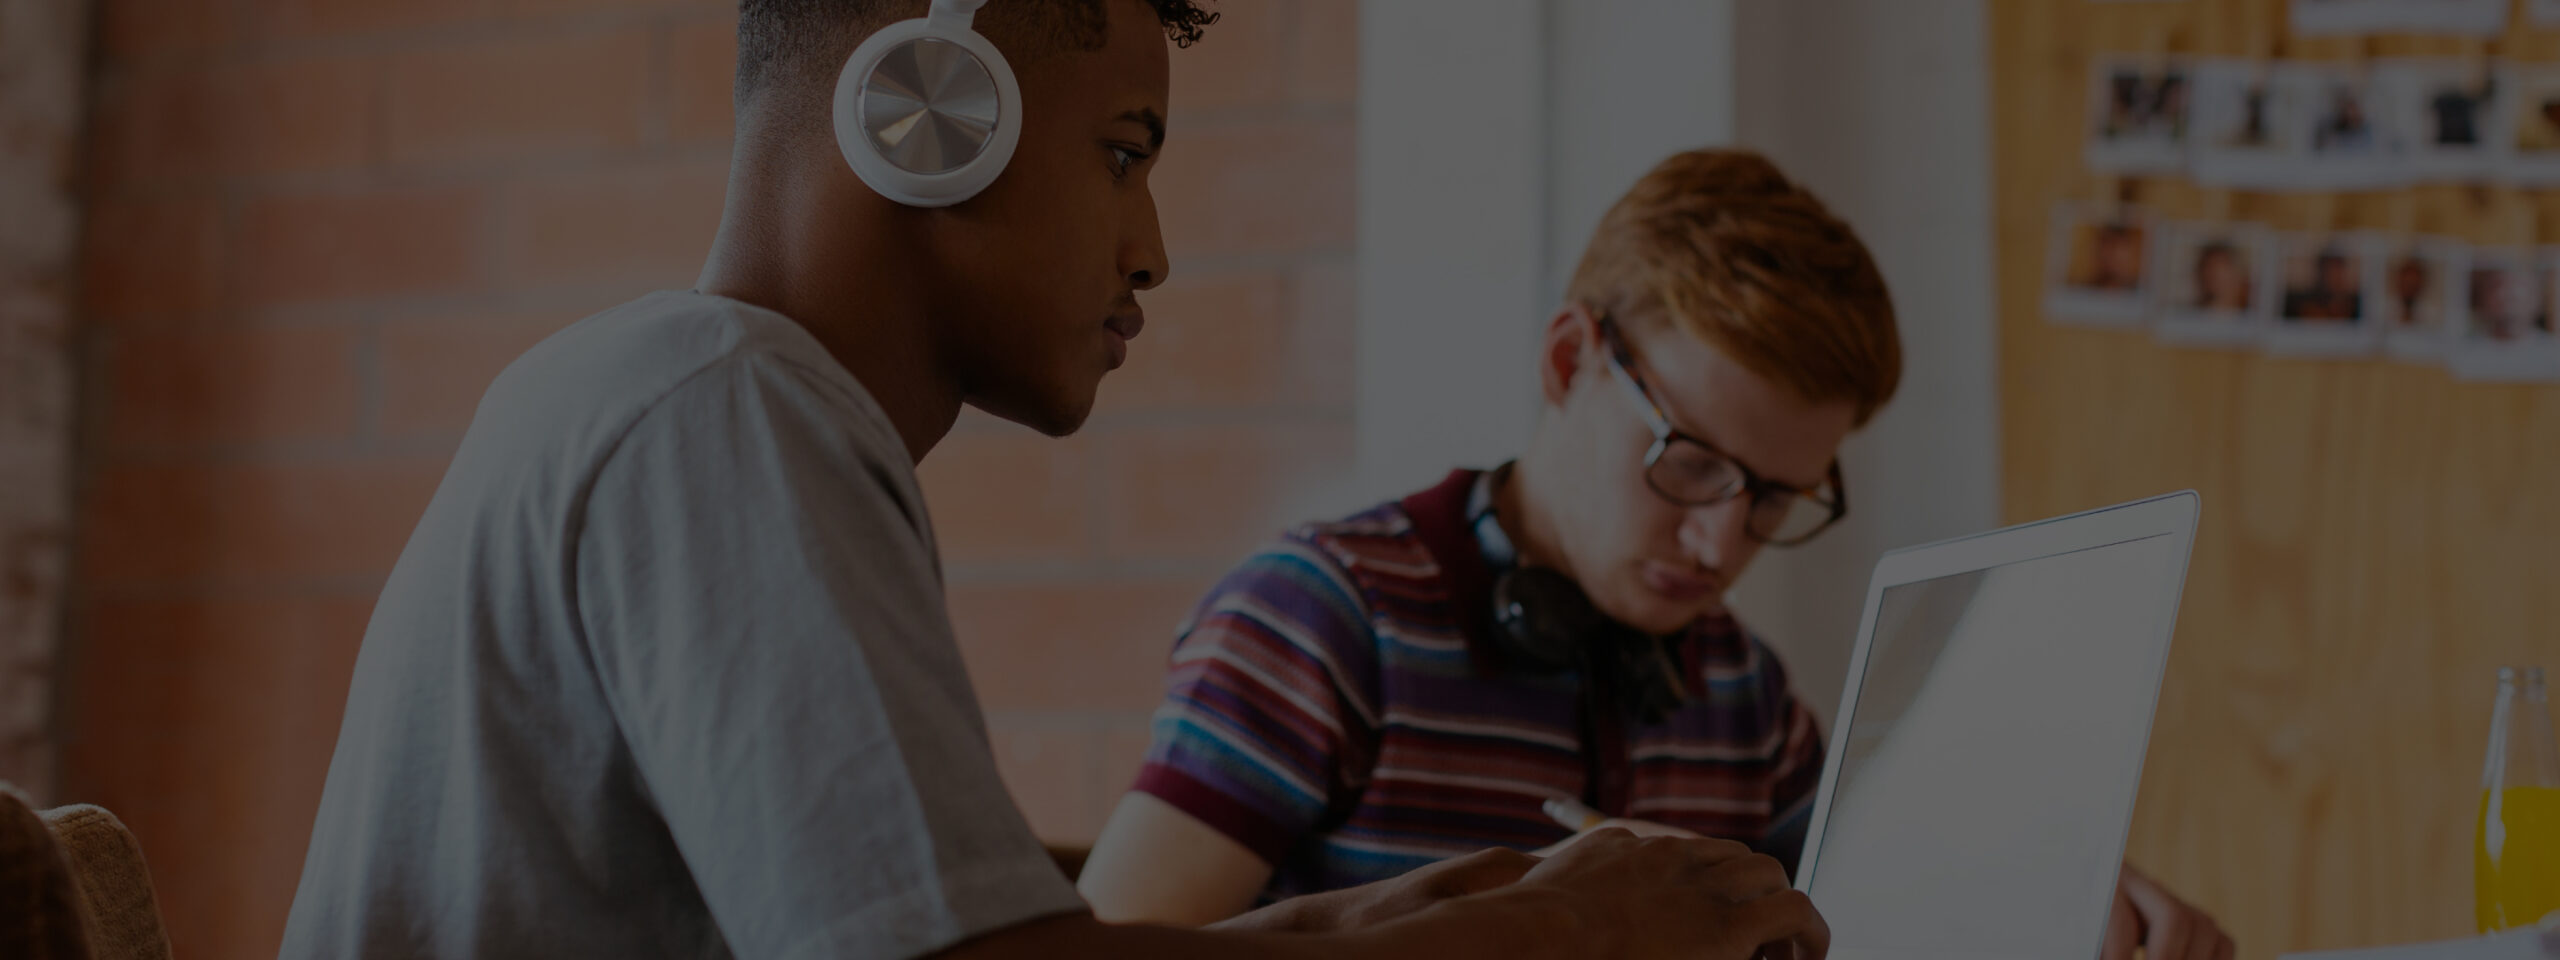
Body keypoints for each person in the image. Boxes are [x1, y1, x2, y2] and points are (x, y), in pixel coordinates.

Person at [273, 3, 1830, 959]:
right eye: (1125, 151)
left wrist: (1470, 910)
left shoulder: (700, 402)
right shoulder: (725, 411)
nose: (1153, 245)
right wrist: (1562, 933)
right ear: (924, 108)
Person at [1075, 149, 2238, 960]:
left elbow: (1873, 919)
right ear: (1568, 359)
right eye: (1688, 462)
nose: (1721, 543)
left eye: (1776, 496)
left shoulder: (1741, 690)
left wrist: (2052, 906)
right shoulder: (1320, 619)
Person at [2282, 247, 2362, 324]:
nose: (2333, 276)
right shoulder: (2302, 303)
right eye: (2328, 270)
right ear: (2320, 271)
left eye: (2337, 269)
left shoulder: (2355, 304)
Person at [2193, 240, 2251, 313]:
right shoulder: (2189, 314)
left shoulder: (2254, 316)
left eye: (2220, 268)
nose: (2212, 274)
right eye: (2209, 267)